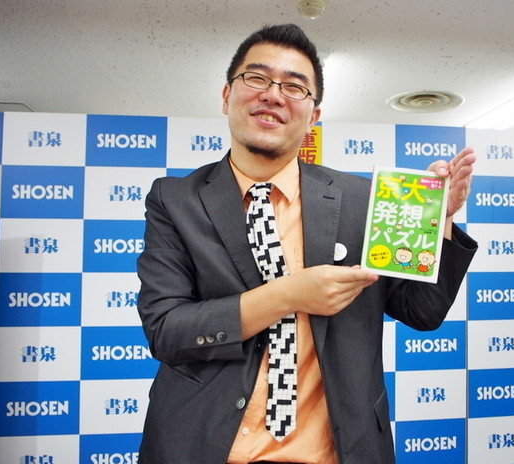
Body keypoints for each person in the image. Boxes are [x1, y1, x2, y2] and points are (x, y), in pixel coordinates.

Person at [136, 23, 477, 464]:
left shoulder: (363, 199)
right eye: (257, 78)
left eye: (295, 87)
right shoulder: (175, 200)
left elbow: (422, 312)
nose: (273, 95)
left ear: (314, 116)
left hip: (335, 452)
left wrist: (438, 221)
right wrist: (290, 294)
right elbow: (167, 331)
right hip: (204, 447)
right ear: (226, 96)